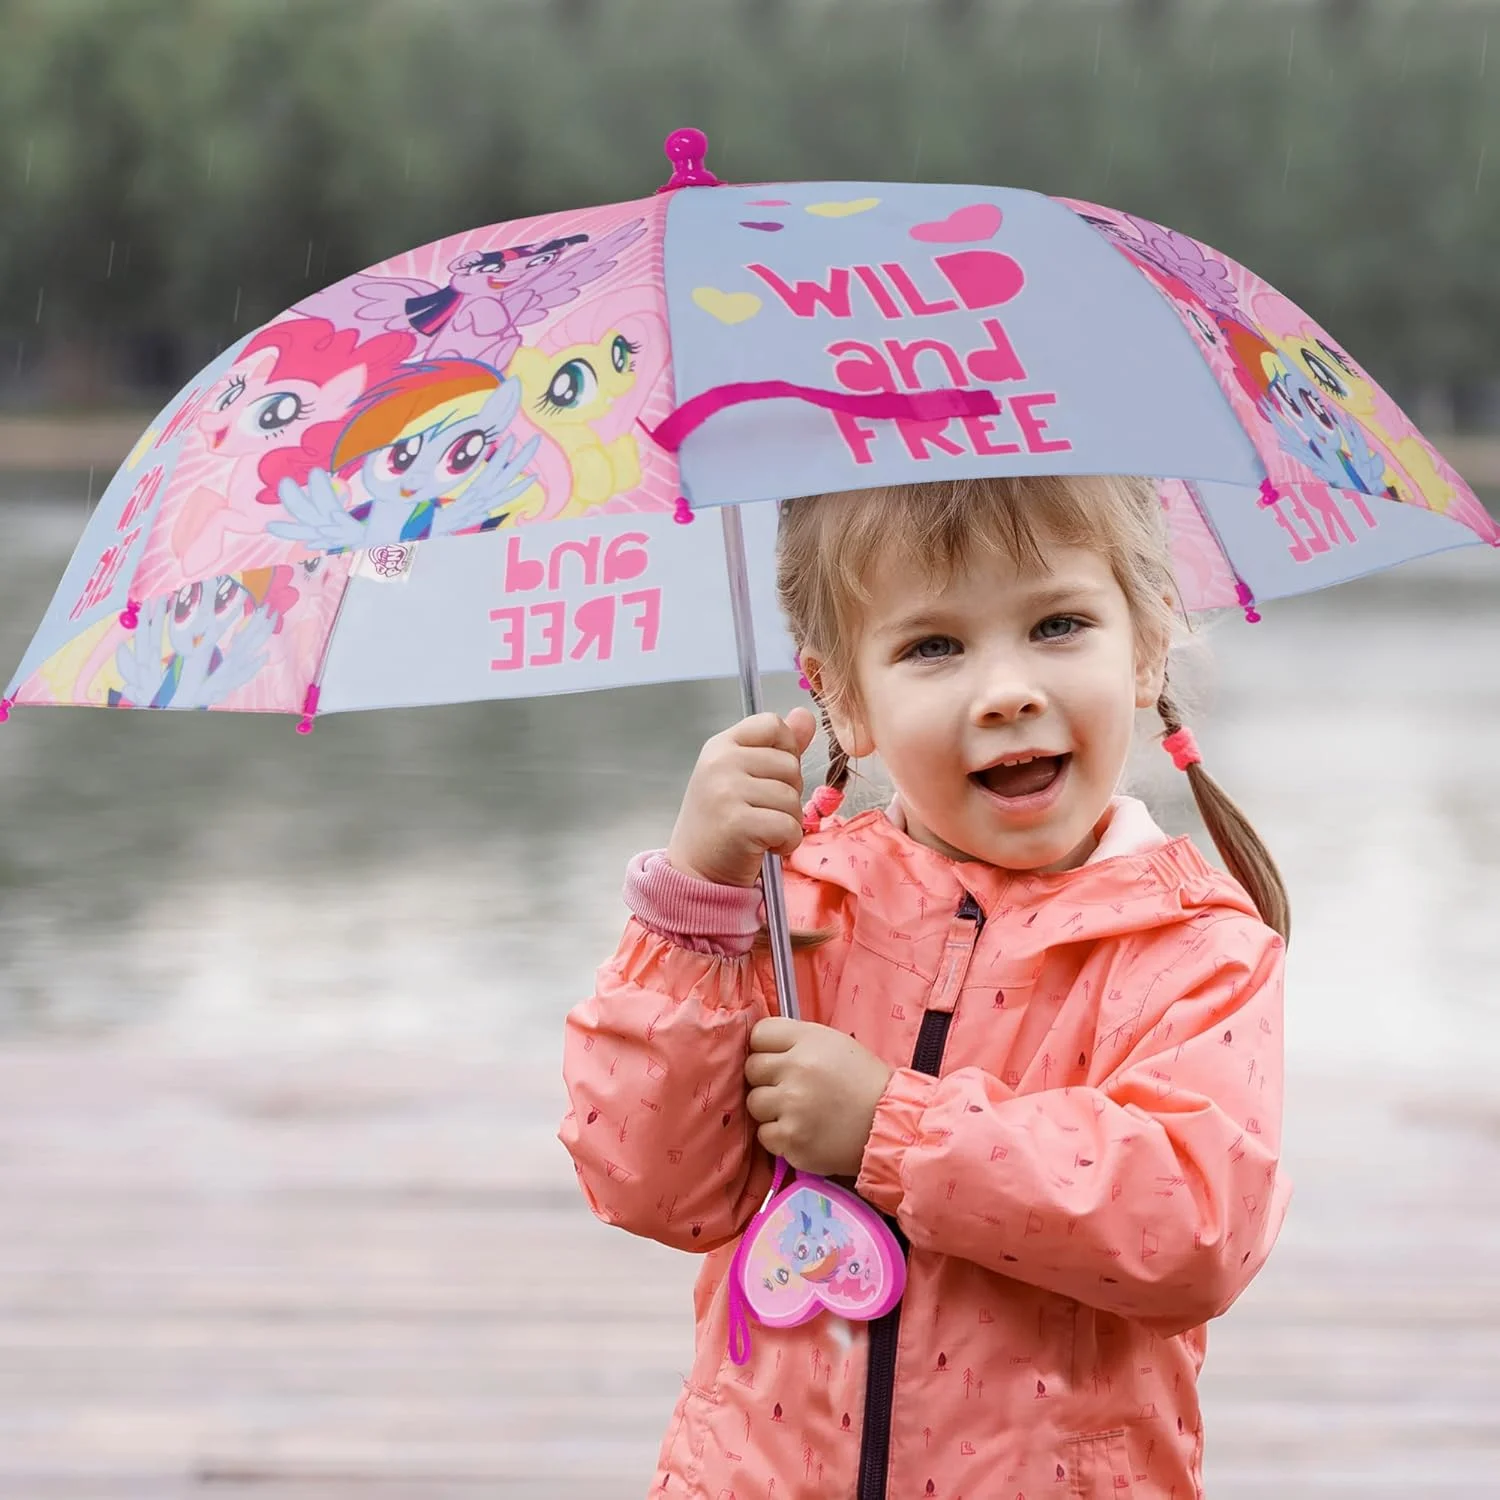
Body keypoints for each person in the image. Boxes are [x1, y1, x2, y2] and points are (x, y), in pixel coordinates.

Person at [559, 473, 1292, 1500]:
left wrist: (890, 1131)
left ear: (1147, 644)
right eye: (933, 647)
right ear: (845, 700)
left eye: (1059, 623)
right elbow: (646, 1181)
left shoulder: (1190, 947)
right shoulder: (792, 907)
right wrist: (695, 897)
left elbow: (1195, 1231)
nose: (1005, 691)